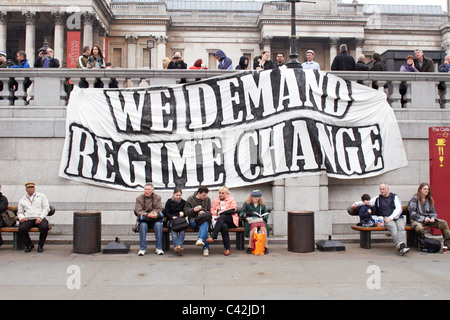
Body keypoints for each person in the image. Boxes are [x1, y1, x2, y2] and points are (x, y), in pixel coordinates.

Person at [352, 182, 410, 256]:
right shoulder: (378, 198)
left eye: (383, 189)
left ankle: (401, 246)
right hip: (386, 218)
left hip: (397, 217)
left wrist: (391, 217)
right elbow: (367, 201)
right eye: (380, 189)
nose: (381, 191)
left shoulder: (394, 197)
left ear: (387, 189)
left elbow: (399, 208)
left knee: (401, 227)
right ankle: (401, 247)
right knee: (393, 228)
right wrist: (356, 203)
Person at [408, 183, 450, 247]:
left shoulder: (429, 199)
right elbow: (412, 213)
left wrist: (433, 218)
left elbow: (433, 212)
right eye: (425, 189)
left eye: (428, 189)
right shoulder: (415, 199)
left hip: (428, 220)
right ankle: (423, 243)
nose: (426, 191)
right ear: (420, 190)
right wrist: (423, 219)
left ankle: (448, 243)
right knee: (419, 228)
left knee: (443, 223)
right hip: (417, 220)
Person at [17, 182, 50, 253]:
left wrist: (41, 217)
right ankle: (29, 245)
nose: (31, 189)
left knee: (44, 227)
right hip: (28, 219)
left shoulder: (41, 196)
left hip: (39, 217)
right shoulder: (23, 199)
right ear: (26, 189)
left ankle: (41, 245)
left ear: (34, 188)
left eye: (32, 187)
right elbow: (20, 212)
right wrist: (22, 217)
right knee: (22, 228)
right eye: (29, 188)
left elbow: (46, 208)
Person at [206, 186, 238, 256]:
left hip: (231, 219)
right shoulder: (216, 200)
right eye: (219, 193)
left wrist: (222, 212)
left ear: (227, 194)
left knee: (222, 217)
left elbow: (233, 209)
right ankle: (227, 249)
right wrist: (216, 213)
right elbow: (212, 209)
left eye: (222, 193)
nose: (220, 194)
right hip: (220, 221)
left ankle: (213, 236)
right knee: (224, 226)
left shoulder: (231, 199)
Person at [134, 183, 164, 256]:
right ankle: (142, 249)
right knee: (143, 226)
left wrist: (152, 214)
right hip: (144, 219)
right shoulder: (139, 198)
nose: (146, 191)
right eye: (145, 189)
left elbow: (158, 208)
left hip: (154, 219)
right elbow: (138, 210)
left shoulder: (158, 197)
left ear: (152, 190)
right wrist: (147, 215)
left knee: (158, 225)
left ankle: (159, 248)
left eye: (148, 189)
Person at [184, 186, 212, 256]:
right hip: (193, 220)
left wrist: (202, 212)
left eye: (206, 195)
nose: (205, 197)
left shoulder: (207, 199)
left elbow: (209, 211)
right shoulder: (190, 199)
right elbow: (186, 212)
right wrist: (194, 210)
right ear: (198, 193)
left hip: (203, 219)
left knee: (205, 223)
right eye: (203, 195)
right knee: (205, 226)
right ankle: (206, 248)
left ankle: (200, 239)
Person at [239, 190, 270, 254]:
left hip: (259, 220)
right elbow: (241, 213)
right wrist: (247, 214)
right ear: (251, 197)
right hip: (250, 220)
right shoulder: (247, 203)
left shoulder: (262, 204)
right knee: (254, 228)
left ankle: (265, 246)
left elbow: (265, 213)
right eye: (255, 198)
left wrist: (265, 217)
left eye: (257, 199)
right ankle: (250, 246)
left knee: (263, 228)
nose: (256, 200)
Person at [163, 188, 187, 256]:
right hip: (171, 220)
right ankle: (179, 247)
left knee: (182, 231)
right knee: (174, 231)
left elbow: (186, 211)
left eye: (180, 195)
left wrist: (183, 214)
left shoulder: (183, 202)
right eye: (177, 195)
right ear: (173, 194)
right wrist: (172, 217)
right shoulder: (169, 201)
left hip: (180, 220)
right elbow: (166, 212)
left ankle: (178, 247)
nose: (178, 197)